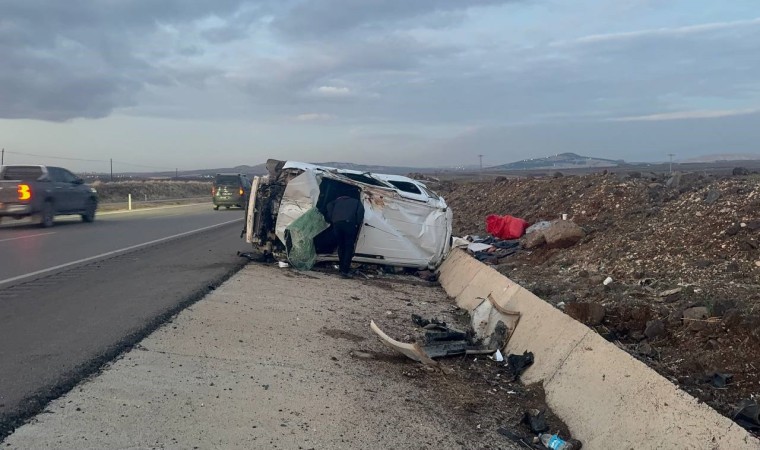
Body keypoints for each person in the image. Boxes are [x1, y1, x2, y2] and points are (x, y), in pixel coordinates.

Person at [326, 195, 365, 278]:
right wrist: (357, 223)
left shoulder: (335, 202)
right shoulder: (356, 202)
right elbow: (361, 212)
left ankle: (341, 268)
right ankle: (345, 270)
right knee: (348, 247)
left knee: (341, 246)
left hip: (337, 225)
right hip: (349, 224)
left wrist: (332, 218)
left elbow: (329, 205)